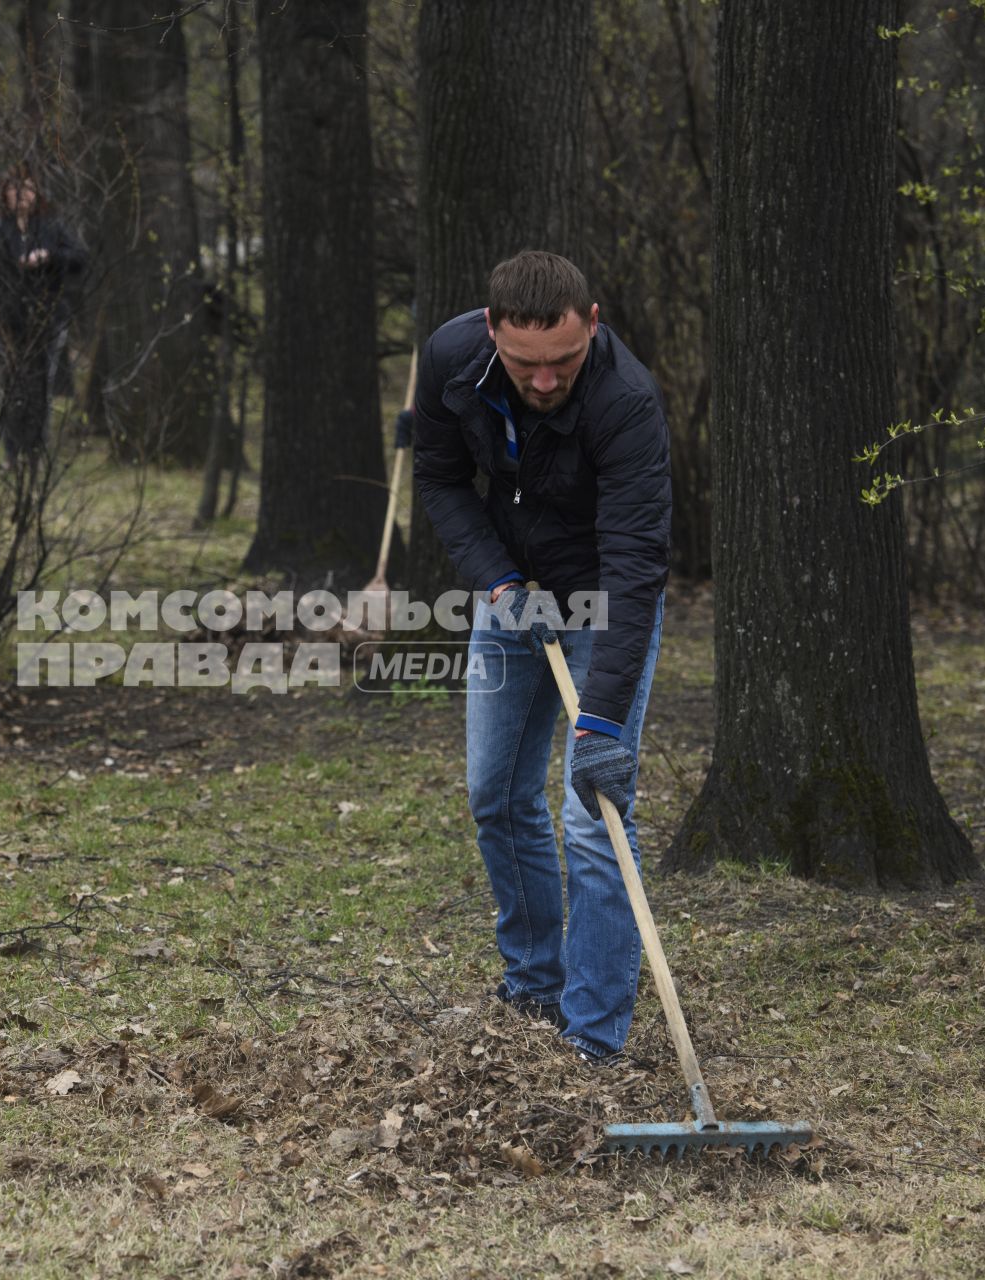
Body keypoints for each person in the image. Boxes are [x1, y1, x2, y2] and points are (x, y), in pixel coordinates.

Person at [413, 251, 672, 1066]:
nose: (547, 380)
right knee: (495, 794)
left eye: (563, 359)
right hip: (511, 595)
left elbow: (636, 569)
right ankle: (533, 982)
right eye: (527, 365)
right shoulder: (452, 359)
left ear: (591, 323)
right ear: (491, 332)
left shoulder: (626, 403)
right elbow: (442, 478)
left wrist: (600, 720)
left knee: (593, 815)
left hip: (604, 600)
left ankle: (592, 1039)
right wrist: (496, 579)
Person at [0, 171, 87, 468]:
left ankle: (37, 453)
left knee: (41, 385)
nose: (21, 194)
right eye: (14, 188)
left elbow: (79, 258)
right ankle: (12, 453)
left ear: (38, 194)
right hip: (5, 319)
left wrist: (48, 256)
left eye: (29, 188)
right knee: (10, 385)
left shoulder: (51, 228)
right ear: (4, 194)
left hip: (47, 317)